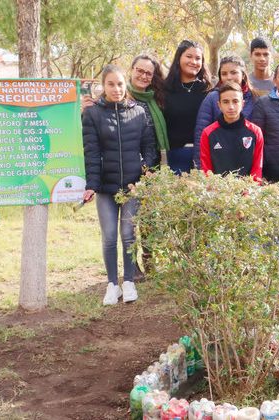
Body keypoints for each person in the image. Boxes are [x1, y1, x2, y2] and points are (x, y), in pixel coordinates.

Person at [82, 64, 157, 306]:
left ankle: (129, 282)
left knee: (128, 235)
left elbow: (149, 148)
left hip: (132, 186)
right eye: (111, 84)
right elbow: (91, 152)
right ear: (103, 86)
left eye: (120, 84)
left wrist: (143, 176)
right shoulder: (93, 114)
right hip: (106, 186)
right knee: (110, 236)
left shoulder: (139, 112)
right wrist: (92, 184)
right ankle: (112, 284)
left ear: (126, 86)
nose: (116, 89)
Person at [193, 56, 257, 168]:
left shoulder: (254, 99)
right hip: (218, 165)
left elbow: (258, 136)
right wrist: (199, 167)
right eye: (224, 73)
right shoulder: (212, 98)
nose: (229, 77)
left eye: (233, 72)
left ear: (243, 74)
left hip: (246, 166)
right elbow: (201, 134)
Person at [163, 40, 212, 174]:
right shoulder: (165, 89)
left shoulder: (208, 90)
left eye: (198, 58)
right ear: (179, 58)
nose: (194, 62)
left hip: (204, 155)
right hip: (175, 155)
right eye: (189, 56)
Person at [199, 82, 263, 181]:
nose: (231, 107)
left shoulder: (255, 132)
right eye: (225, 102)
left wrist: (249, 192)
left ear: (242, 104)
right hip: (218, 193)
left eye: (235, 101)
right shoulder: (208, 133)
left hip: (248, 193)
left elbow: (257, 167)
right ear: (219, 105)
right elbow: (206, 169)